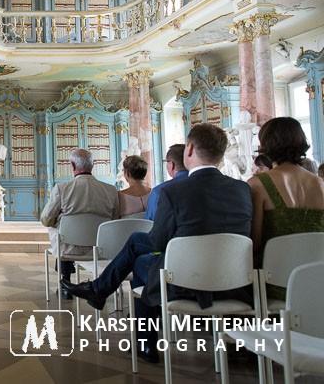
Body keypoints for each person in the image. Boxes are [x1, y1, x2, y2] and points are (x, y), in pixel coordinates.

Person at [63, 124, 253, 364]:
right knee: (139, 248)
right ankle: (101, 292)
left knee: (143, 257)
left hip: (184, 281)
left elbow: (158, 242)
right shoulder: (243, 189)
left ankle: (145, 342)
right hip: (234, 281)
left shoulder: (173, 191)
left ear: (190, 149)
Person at [40, 149, 118, 300]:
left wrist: (59, 221)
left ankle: (66, 282)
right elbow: (114, 221)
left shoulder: (62, 189)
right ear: (93, 165)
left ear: (73, 165)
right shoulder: (110, 191)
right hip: (100, 249)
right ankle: (98, 285)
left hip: (68, 248)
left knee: (59, 228)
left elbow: (46, 219)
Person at [248, 117, 324, 261]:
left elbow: (255, 243)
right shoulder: (321, 184)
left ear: (266, 145)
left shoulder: (258, 185)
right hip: (317, 276)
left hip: (275, 277)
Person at [144, 144, 187, 221]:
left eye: (166, 161)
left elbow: (149, 223)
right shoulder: (205, 185)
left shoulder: (159, 191)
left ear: (172, 165)